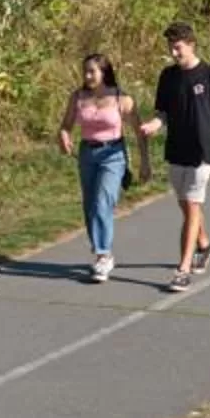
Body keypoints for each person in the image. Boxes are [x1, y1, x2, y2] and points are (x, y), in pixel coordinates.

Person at [141, 20, 210, 291]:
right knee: (186, 205)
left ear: (191, 44)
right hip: (176, 150)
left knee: (193, 207)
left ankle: (182, 269)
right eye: (171, 48)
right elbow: (162, 113)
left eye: (178, 48)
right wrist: (154, 124)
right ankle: (205, 245)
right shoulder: (167, 77)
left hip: (201, 152)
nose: (174, 53)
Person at [57, 51, 141, 282]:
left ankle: (104, 255)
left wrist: (145, 163)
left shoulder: (120, 98)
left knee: (103, 201)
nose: (87, 75)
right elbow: (66, 124)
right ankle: (100, 249)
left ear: (104, 72)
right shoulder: (78, 97)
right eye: (85, 71)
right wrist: (63, 136)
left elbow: (138, 131)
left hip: (113, 154)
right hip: (87, 153)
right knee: (90, 205)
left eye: (92, 71)